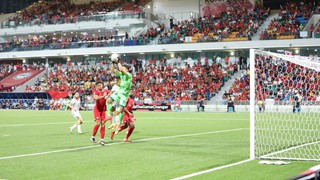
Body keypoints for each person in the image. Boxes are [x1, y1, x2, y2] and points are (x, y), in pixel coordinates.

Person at [106, 58, 132, 127]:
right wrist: (113, 63)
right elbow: (112, 71)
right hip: (119, 92)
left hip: (124, 95)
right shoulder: (121, 74)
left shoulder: (128, 75)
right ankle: (112, 117)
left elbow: (120, 69)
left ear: (127, 69)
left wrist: (118, 61)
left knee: (119, 111)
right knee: (108, 101)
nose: (122, 68)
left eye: (124, 67)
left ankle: (117, 123)